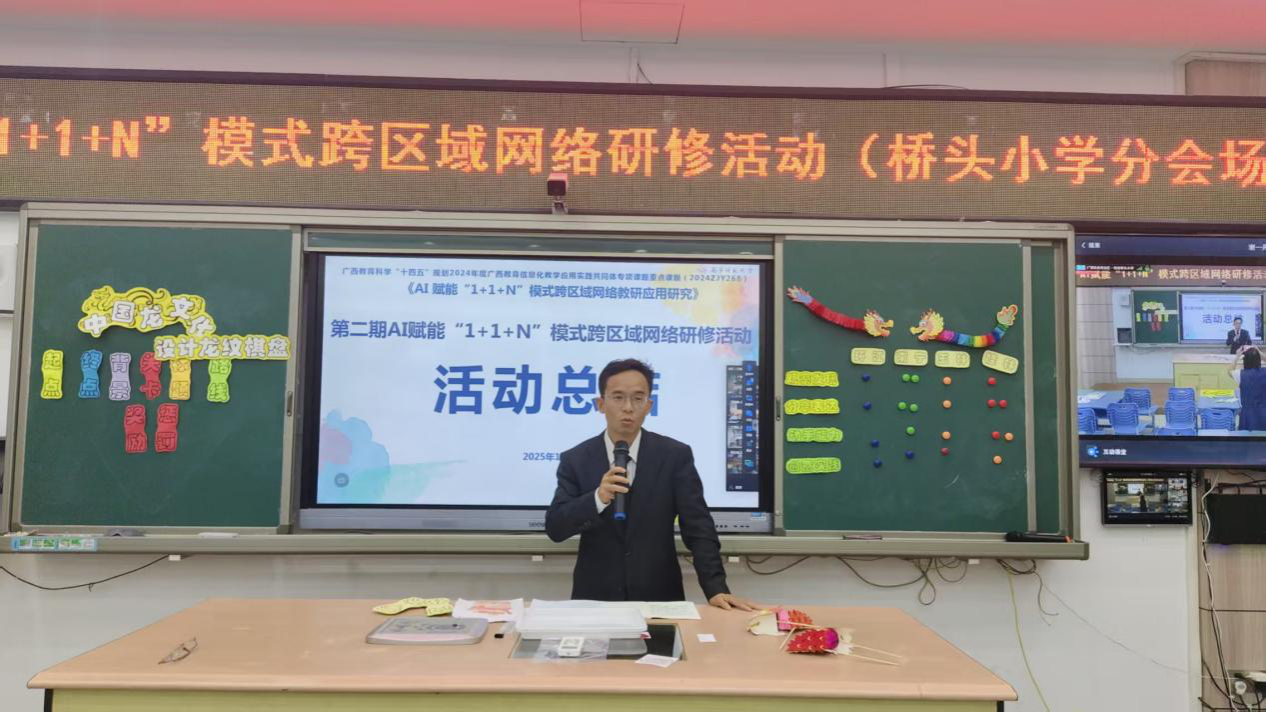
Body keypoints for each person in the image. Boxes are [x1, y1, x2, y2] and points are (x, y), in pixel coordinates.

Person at [545, 358, 756, 610]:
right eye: (618, 397)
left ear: (649, 405)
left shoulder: (674, 456)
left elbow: (698, 527)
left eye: (638, 398)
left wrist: (716, 588)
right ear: (600, 404)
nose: (628, 408)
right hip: (595, 600)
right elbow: (556, 528)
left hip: (660, 597)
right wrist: (597, 498)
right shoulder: (576, 459)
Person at [1230, 347, 1266, 431]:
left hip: (1247, 414)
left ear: (1245, 360)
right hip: (1263, 412)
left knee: (1246, 437)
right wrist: (1259, 352)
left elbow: (1230, 371)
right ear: (1259, 360)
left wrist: (1237, 356)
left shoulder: (1240, 374)